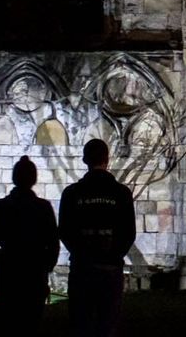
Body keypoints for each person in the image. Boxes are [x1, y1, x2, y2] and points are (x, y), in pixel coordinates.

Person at [59, 139, 136, 337]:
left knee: (81, 324)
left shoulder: (71, 193)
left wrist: (82, 252)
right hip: (110, 270)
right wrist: (113, 255)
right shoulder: (122, 194)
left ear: (85, 159)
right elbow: (128, 233)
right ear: (107, 160)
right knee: (107, 325)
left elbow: (66, 232)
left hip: (82, 268)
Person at [0, 155, 60, 337]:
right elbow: (53, 244)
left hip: (9, 275)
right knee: (31, 325)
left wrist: (4, 261)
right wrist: (44, 267)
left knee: (8, 325)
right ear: (33, 179)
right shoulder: (42, 208)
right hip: (34, 275)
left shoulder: (1, 206)